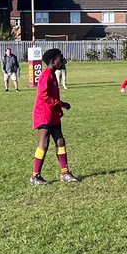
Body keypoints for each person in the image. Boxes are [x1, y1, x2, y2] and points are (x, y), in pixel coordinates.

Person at [31, 48, 77, 184]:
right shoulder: (46, 75)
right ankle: (35, 176)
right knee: (44, 144)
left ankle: (65, 173)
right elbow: (44, 96)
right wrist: (61, 104)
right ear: (53, 61)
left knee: (60, 141)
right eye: (59, 57)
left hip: (53, 114)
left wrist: (58, 109)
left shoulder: (52, 74)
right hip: (44, 114)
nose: (61, 60)